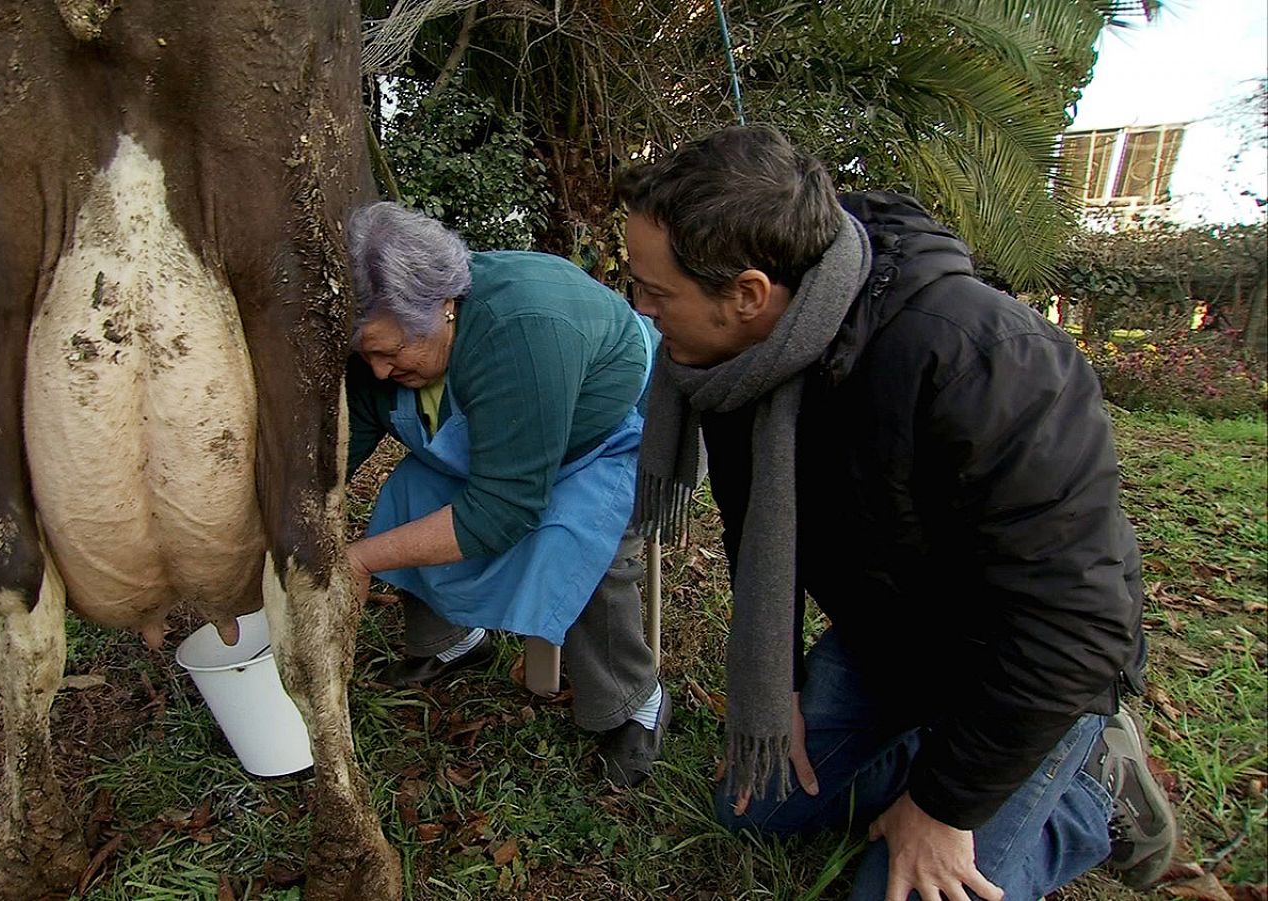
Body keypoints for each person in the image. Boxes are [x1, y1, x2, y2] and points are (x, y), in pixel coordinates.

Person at [618, 126, 1178, 899]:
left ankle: (1087, 787)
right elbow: (755, 526)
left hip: (1017, 666)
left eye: (655, 292)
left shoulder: (985, 358)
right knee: (756, 807)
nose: (642, 311)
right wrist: (775, 684)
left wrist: (944, 807)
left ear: (748, 293)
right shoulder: (728, 364)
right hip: (890, 642)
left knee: (907, 888)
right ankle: (947, 760)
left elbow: (1076, 624)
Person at [342, 201, 669, 786]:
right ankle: (452, 640)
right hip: (503, 439)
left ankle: (631, 703)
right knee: (411, 495)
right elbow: (342, 453)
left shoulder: (521, 328)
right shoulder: (382, 341)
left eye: (393, 353)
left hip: (609, 434)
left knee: (579, 543)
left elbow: (503, 510)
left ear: (444, 306)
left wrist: (361, 558)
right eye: (367, 353)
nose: (380, 371)